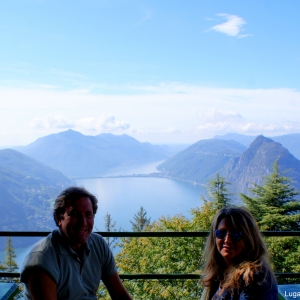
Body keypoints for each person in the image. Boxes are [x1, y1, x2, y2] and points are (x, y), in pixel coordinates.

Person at [21, 186, 132, 300]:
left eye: (88, 214)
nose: (83, 222)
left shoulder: (98, 244)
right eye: (74, 214)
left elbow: (120, 295)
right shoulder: (42, 260)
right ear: (58, 218)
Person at [200, 207, 278, 300]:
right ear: (214, 237)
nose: (227, 240)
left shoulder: (254, 278)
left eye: (236, 234)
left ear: (249, 239)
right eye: (221, 233)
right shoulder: (220, 272)